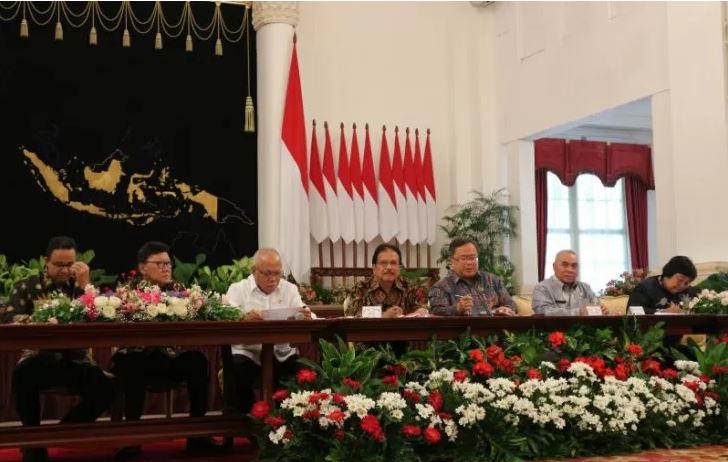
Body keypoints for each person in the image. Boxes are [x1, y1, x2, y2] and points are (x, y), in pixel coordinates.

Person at [3, 236, 113, 462]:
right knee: (22, 376)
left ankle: (63, 433)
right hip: (40, 358)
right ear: (46, 262)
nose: (65, 270)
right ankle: (33, 444)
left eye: (69, 265)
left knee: (106, 387)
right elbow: (8, 318)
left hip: (77, 360)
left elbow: (98, 318)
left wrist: (85, 287)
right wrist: (41, 320)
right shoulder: (28, 285)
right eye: (59, 265)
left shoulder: (81, 286)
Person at [110, 241, 222, 459]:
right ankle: (131, 439)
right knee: (133, 365)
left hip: (168, 357)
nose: (166, 268)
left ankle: (197, 435)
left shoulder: (179, 291)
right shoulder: (127, 292)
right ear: (143, 267)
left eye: (168, 263)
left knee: (197, 361)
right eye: (159, 263)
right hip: (135, 356)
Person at [225, 248, 314, 414]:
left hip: (281, 352)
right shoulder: (238, 289)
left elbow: (306, 312)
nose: (273, 279)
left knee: (302, 372)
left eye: (277, 273)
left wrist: (306, 315)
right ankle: (251, 423)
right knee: (237, 372)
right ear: (253, 271)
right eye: (267, 273)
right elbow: (227, 316)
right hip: (248, 352)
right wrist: (243, 318)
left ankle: (286, 423)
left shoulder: (289, 289)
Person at [429, 238, 516, 316]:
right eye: (464, 258)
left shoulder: (493, 280)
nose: (469, 262)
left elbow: (511, 304)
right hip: (461, 332)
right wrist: (457, 309)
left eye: (473, 258)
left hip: (495, 330)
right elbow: (436, 312)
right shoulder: (441, 287)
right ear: (452, 261)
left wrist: (505, 309)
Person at [345, 243, 429, 318]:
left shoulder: (409, 287)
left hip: (404, 333)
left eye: (393, 263)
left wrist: (421, 311)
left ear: (399, 268)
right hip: (369, 334)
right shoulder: (361, 288)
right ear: (374, 268)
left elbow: (423, 307)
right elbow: (351, 315)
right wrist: (383, 315)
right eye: (383, 263)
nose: (389, 267)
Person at [532, 250, 609, 316]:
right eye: (565, 265)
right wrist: (578, 312)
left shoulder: (585, 287)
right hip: (554, 331)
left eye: (574, 266)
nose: (570, 270)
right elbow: (542, 312)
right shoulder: (542, 288)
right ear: (554, 266)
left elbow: (597, 307)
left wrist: (602, 311)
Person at [627, 256, 698, 314]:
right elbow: (632, 313)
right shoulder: (645, 288)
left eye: (686, 283)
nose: (682, 285)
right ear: (669, 273)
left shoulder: (689, 292)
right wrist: (663, 312)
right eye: (679, 280)